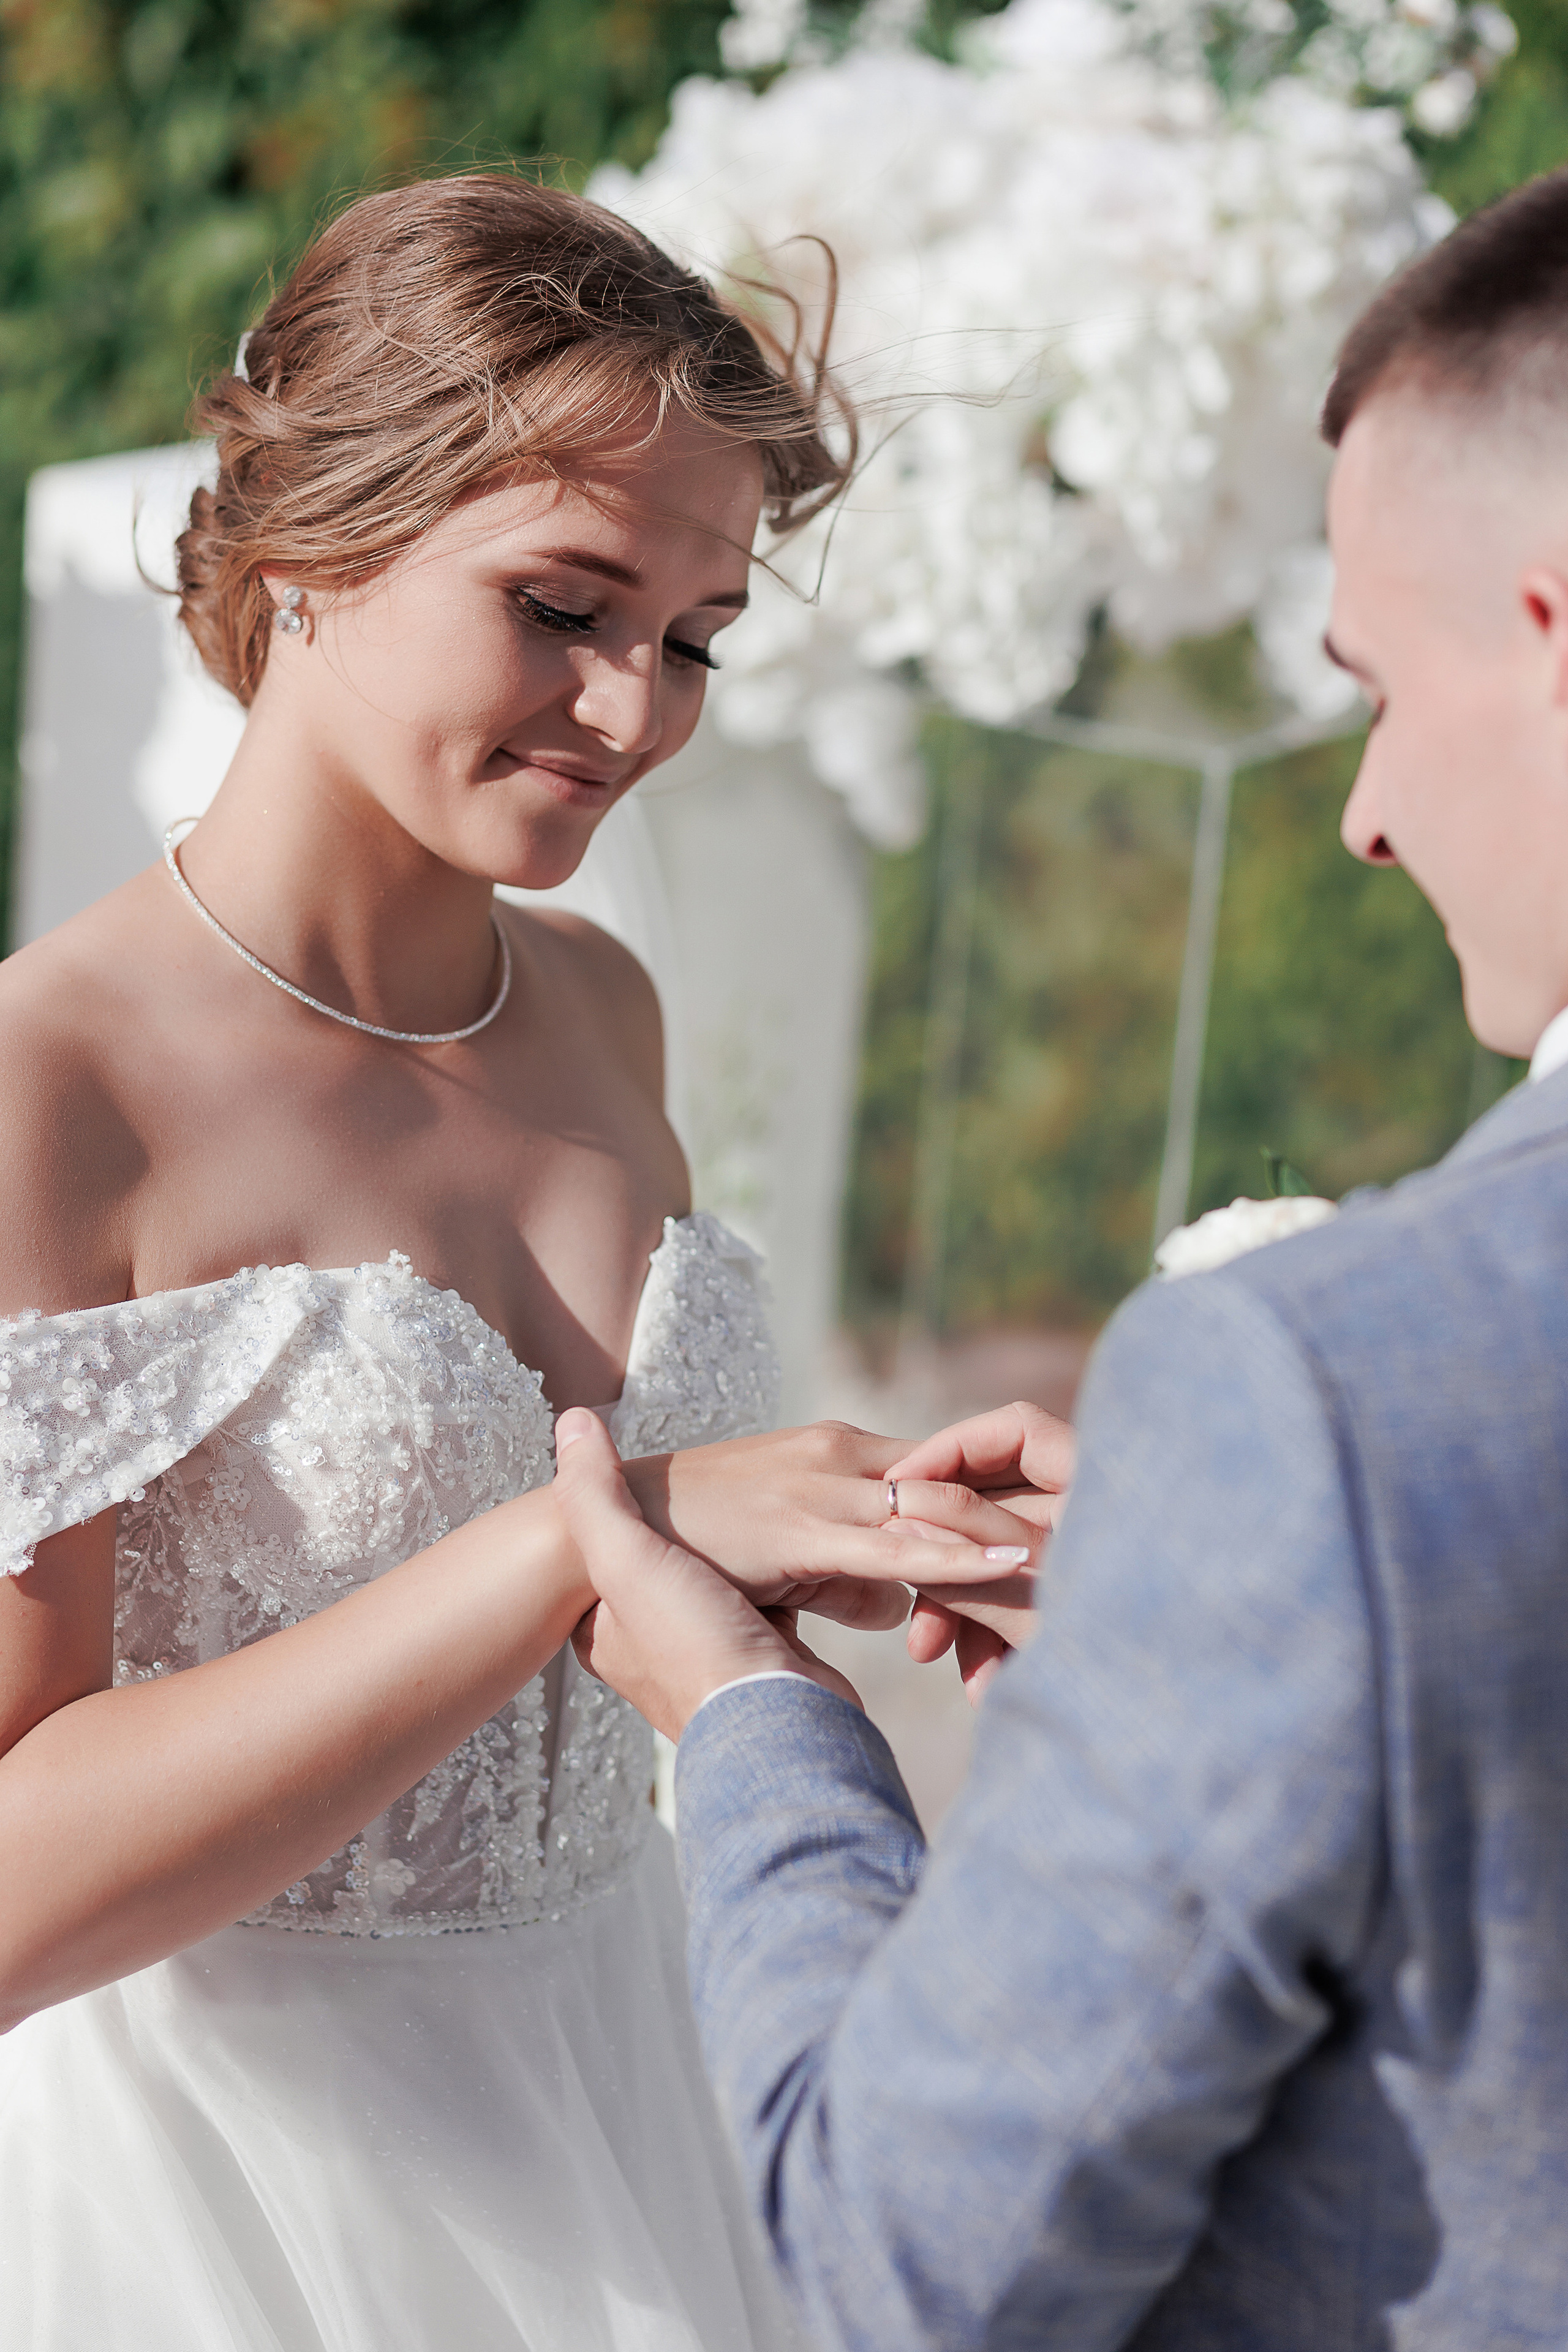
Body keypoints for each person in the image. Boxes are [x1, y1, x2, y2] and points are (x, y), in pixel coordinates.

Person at [550, 167, 1568, 2351]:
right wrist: (1230, 1596)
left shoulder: (1326, 1390)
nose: (1367, 810)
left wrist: (745, 1723)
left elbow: (902, 2270)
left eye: (1378, 685)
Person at [0, 174, 1017, 2351]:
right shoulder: (43, 1085)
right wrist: (608, 1536)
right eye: (565, 603)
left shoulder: (602, 1011)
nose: (637, 710)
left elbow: (613, 1618)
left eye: (700, 637)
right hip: (236, 2207)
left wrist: (875, 1525)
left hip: (639, 2094)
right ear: (315, 546)